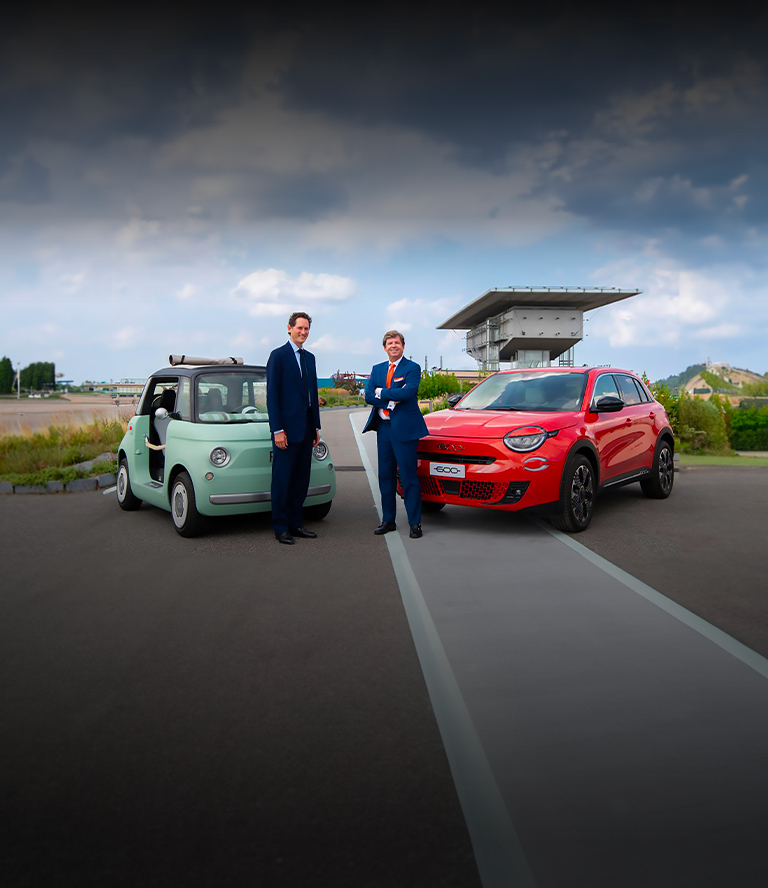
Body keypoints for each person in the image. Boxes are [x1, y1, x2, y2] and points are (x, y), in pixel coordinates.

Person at [364, 330, 428, 539]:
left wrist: (381, 392)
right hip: (383, 430)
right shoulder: (377, 369)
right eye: (389, 343)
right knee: (386, 477)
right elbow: (367, 395)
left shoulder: (412, 368)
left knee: (409, 477)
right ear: (384, 347)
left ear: (403, 346)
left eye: (397, 342)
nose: (393, 346)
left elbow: (408, 392)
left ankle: (414, 523)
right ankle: (388, 520)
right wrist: (390, 400)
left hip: (405, 430)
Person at [266, 312, 321, 545]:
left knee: (301, 480)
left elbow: (313, 395)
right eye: (300, 328)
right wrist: (277, 430)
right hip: (286, 432)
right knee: (282, 480)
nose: (304, 332)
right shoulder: (278, 356)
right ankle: (280, 527)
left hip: (306, 429)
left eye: (307, 329)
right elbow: (272, 396)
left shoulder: (310, 358)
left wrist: (316, 426)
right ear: (289, 328)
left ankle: (296, 523)